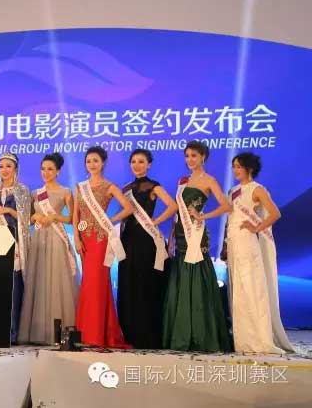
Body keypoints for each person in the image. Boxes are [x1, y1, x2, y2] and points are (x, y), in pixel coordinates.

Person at [162, 140, 232, 352]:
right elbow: (177, 213)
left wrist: (203, 216)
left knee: (197, 278)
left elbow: (226, 206)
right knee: (181, 279)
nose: (190, 160)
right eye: (187, 156)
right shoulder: (183, 180)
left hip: (196, 235)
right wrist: (171, 239)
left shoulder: (209, 180)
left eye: (194, 155)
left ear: (203, 157)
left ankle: (201, 334)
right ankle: (181, 332)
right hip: (180, 234)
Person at [225, 152, 294, 353]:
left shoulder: (257, 189)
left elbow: (275, 213)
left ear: (250, 168)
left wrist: (257, 227)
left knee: (252, 288)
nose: (235, 170)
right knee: (239, 290)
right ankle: (244, 339)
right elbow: (231, 218)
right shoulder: (233, 191)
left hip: (248, 243)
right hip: (234, 243)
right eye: (234, 166)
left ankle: (260, 339)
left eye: (239, 166)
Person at [117, 149, 177, 349]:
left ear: (149, 164)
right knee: (129, 283)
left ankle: (147, 334)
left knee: (145, 284)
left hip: (146, 240)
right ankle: (130, 332)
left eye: (141, 161)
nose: (137, 165)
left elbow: (173, 206)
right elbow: (124, 215)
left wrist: (155, 221)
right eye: (133, 161)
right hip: (128, 239)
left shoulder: (153, 186)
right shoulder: (126, 188)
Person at [73, 146, 133, 348]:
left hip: (100, 240)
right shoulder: (80, 187)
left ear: (103, 163)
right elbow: (75, 215)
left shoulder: (109, 186)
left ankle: (98, 334)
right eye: (88, 161)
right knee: (87, 284)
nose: (92, 164)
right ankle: (87, 332)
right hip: (84, 239)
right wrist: (76, 238)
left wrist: (110, 220)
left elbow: (129, 208)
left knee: (98, 284)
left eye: (95, 161)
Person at [19, 152, 77, 345]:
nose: (46, 172)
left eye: (50, 169)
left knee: (56, 283)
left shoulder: (66, 192)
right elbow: (26, 220)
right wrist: (34, 217)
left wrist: (55, 217)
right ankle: (38, 331)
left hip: (57, 238)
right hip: (39, 240)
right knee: (39, 281)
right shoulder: (35, 193)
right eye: (43, 169)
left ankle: (58, 333)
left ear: (58, 171)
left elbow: (72, 218)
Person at [0, 152, 30, 344]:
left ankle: (13, 332)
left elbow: (26, 219)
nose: (4, 170)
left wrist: (8, 210)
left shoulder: (22, 190)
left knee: (14, 287)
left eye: (8, 166)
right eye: (1, 166)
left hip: (15, 242)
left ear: (15, 169)